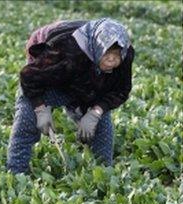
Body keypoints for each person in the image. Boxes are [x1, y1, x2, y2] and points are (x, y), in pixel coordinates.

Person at [7, 18, 135, 174]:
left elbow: (121, 90)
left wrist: (96, 112)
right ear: (98, 47)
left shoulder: (126, 56)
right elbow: (30, 77)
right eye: (107, 54)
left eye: (116, 57)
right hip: (50, 64)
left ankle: (104, 173)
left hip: (84, 69)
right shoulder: (67, 51)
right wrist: (40, 108)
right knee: (28, 117)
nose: (111, 61)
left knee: (102, 124)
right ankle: (16, 171)